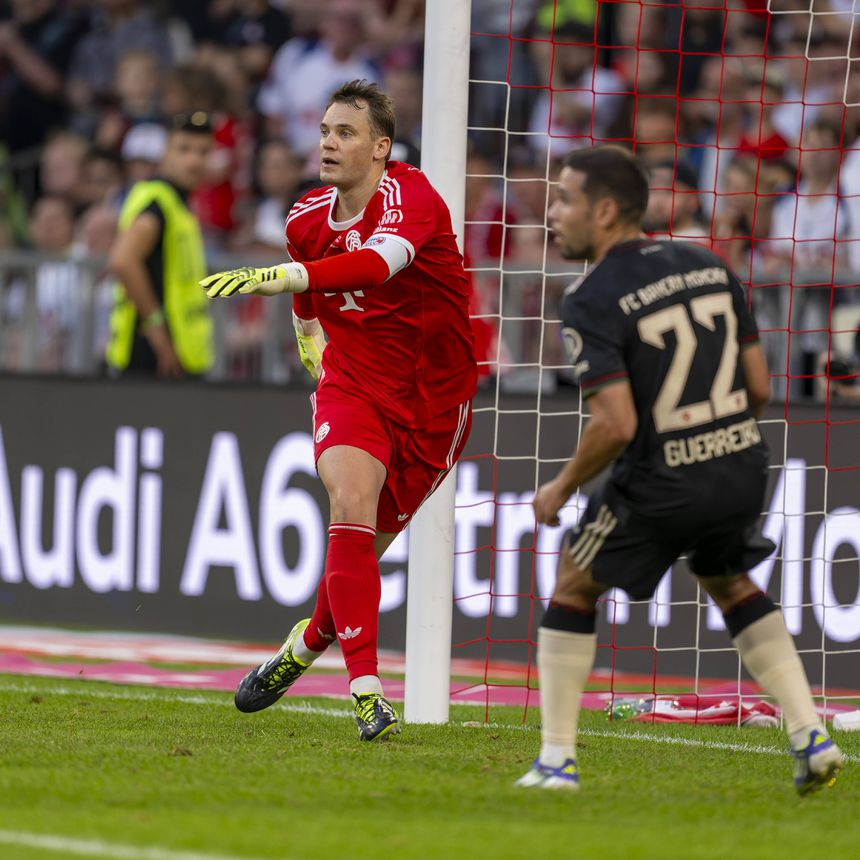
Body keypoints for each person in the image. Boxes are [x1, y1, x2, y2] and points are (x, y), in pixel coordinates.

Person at [515, 145, 844, 794]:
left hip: (665, 475)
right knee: (730, 581)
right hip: (742, 464)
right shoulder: (707, 263)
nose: (552, 213)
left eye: (564, 200)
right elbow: (756, 385)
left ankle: (555, 761)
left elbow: (615, 425)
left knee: (575, 582)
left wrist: (561, 485)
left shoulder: (590, 297)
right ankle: (810, 734)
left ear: (605, 212)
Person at [201, 80, 477, 741]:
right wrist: (307, 333)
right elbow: (307, 270)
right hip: (352, 384)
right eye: (325, 129)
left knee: (357, 561)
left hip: (436, 402)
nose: (328, 141)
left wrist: (289, 281)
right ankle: (367, 693)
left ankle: (305, 646)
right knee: (349, 503)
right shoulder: (304, 216)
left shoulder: (412, 197)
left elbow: (377, 265)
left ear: (381, 148)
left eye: (345, 132)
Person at [105, 113, 214, 378]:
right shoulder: (158, 202)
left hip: (176, 350)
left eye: (203, 151)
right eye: (184, 149)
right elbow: (122, 260)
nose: (194, 160)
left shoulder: (176, 202)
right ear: (164, 153)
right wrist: (158, 332)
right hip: (152, 355)